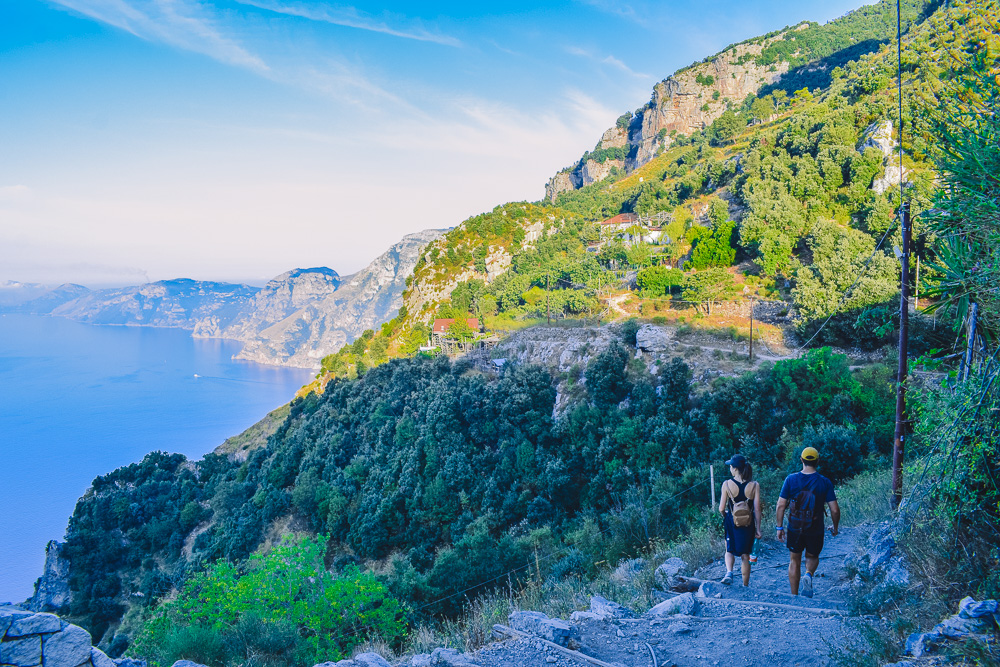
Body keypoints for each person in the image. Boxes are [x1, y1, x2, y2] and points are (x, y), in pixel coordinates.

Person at [775, 446, 840, 598]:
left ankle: (794, 596)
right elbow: (835, 510)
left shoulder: (791, 479)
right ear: (818, 461)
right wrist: (835, 527)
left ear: (801, 460)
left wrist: (779, 527)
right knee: (811, 557)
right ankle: (809, 574)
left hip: (795, 527)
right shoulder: (825, 482)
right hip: (815, 528)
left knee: (794, 560)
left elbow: (780, 505)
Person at [718, 454, 762, 586]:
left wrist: (726, 516)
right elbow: (757, 509)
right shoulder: (754, 485)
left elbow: (721, 508)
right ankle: (745, 585)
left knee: (729, 550)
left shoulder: (726, 484)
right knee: (745, 555)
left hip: (732, 522)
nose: (730, 469)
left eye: (731, 466)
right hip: (748, 525)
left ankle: (729, 573)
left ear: (735, 468)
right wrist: (758, 529)